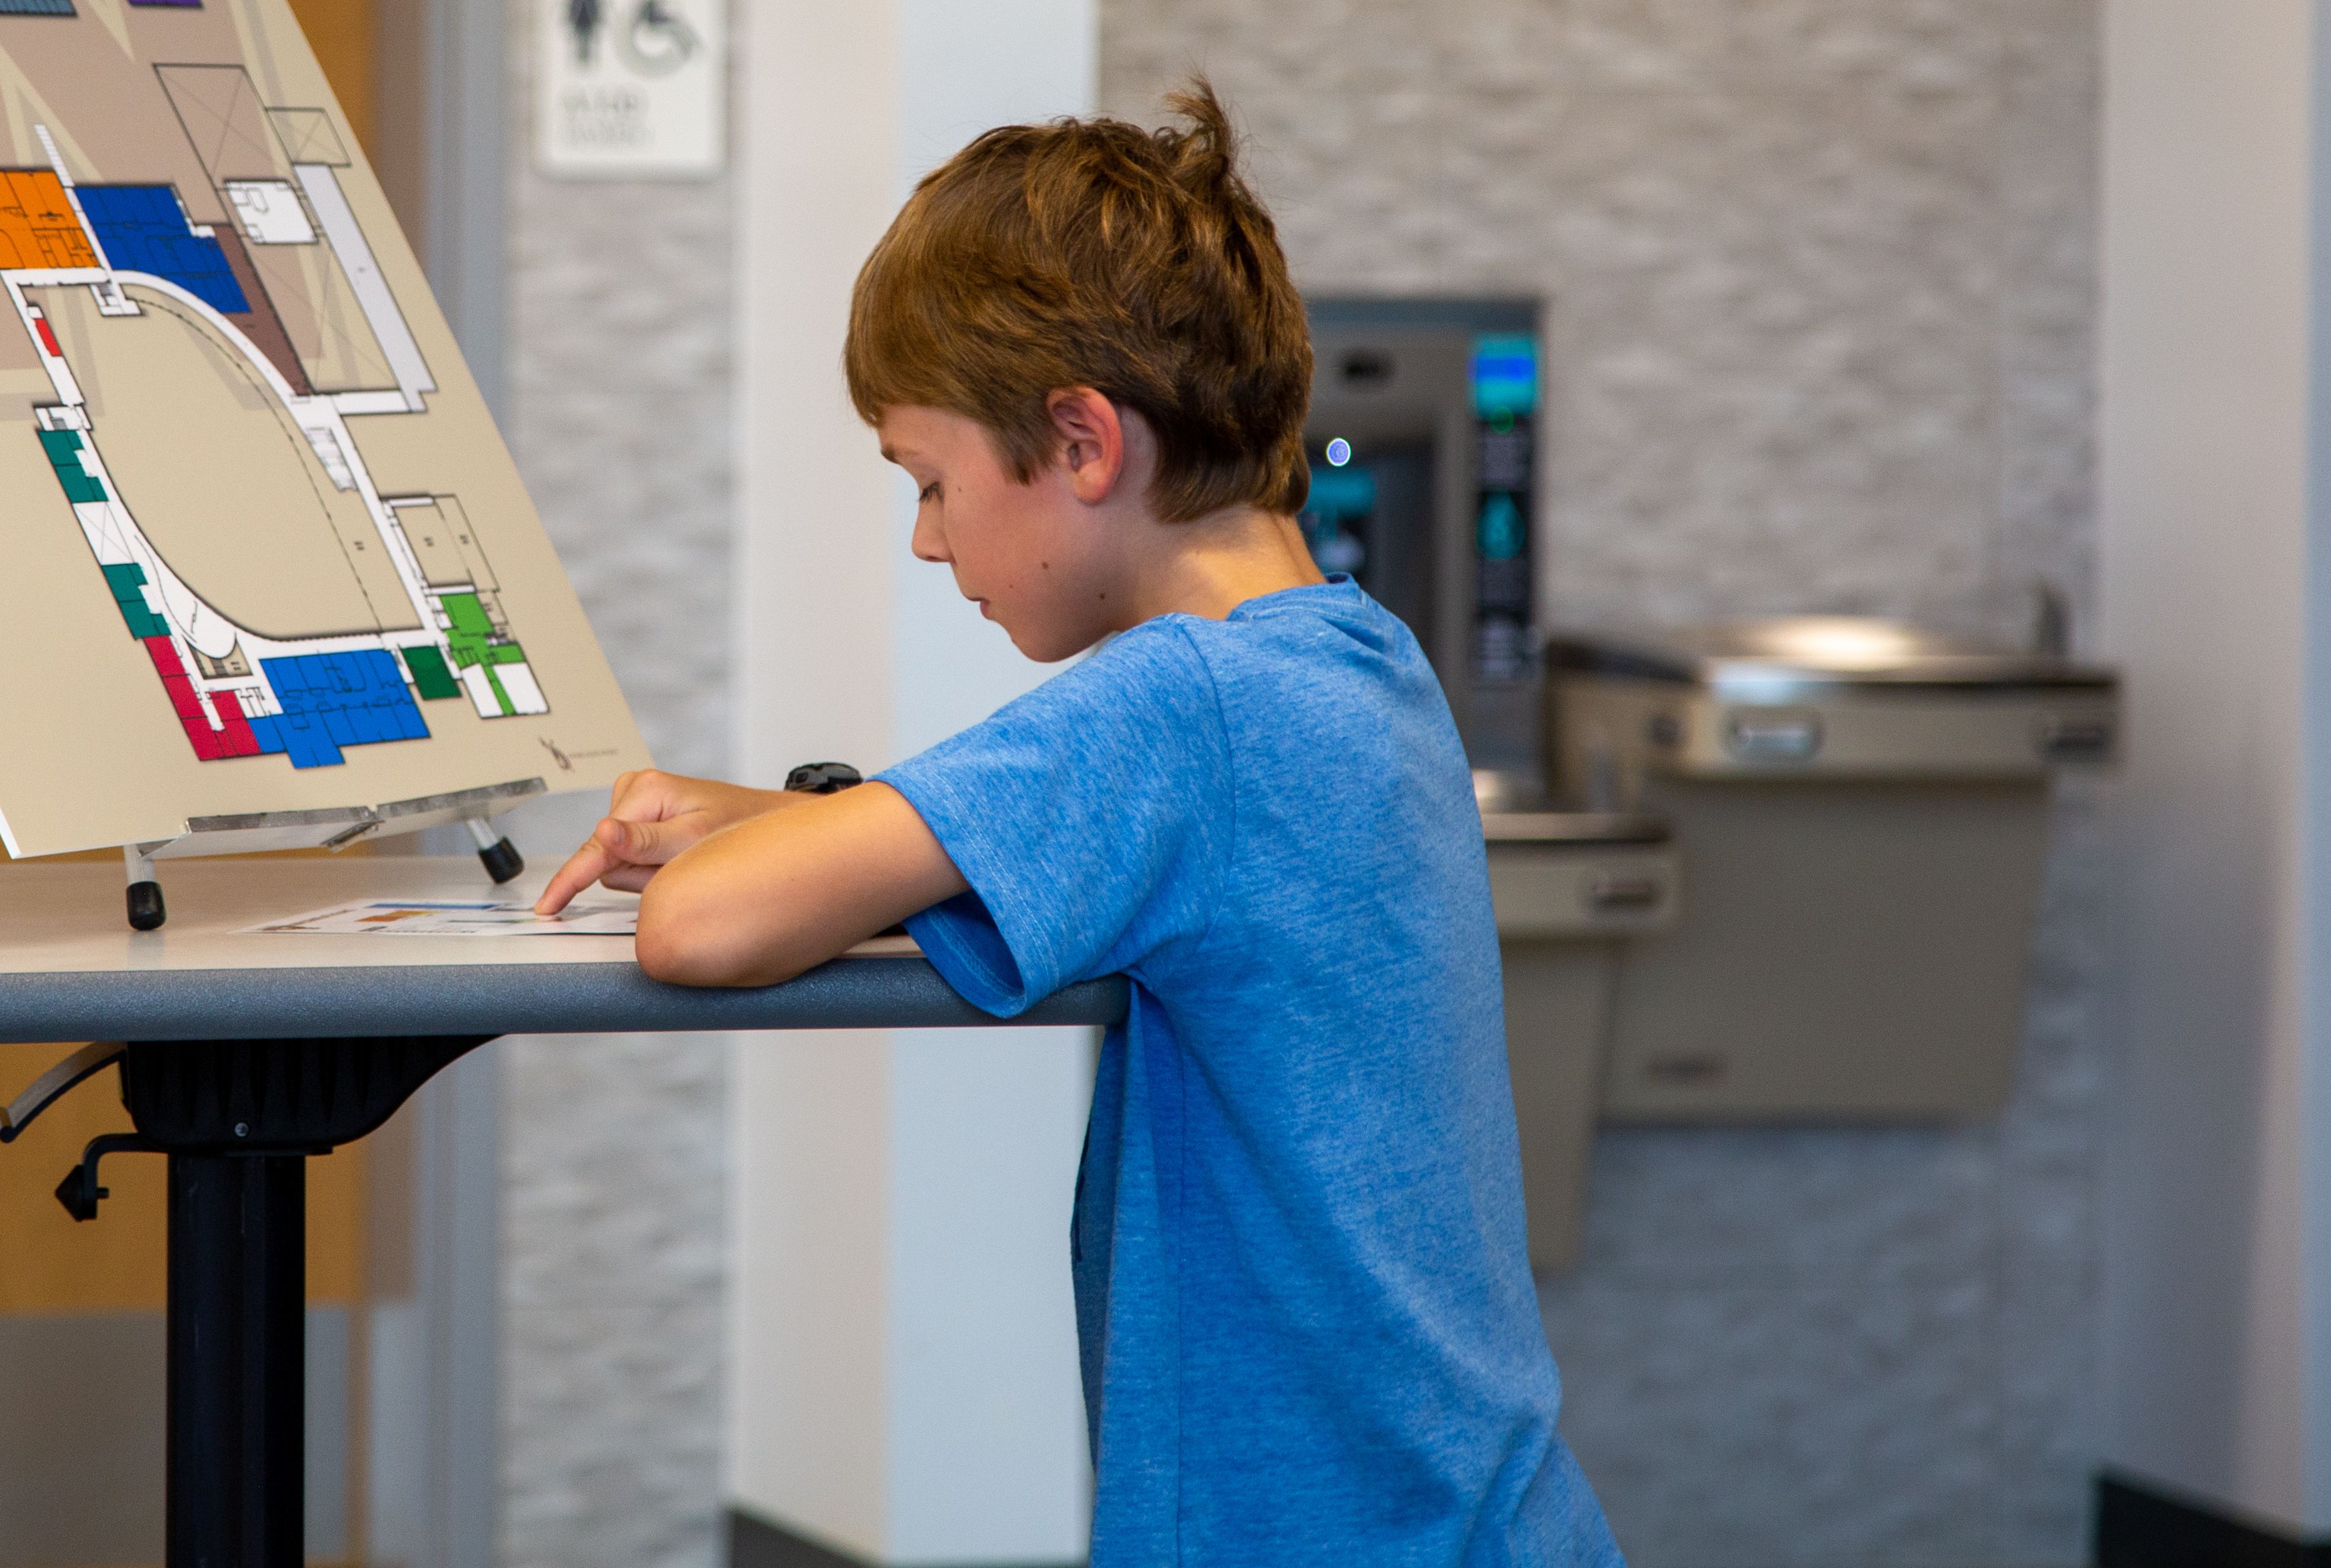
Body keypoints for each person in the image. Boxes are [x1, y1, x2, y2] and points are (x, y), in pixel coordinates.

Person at [535, 81, 1621, 1567]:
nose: (927, 540)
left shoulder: (1183, 704)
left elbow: (698, 928)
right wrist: (745, 816)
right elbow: (1050, 838)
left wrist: (732, 857)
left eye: (930, 481)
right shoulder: (1350, 661)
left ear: (1082, 441)